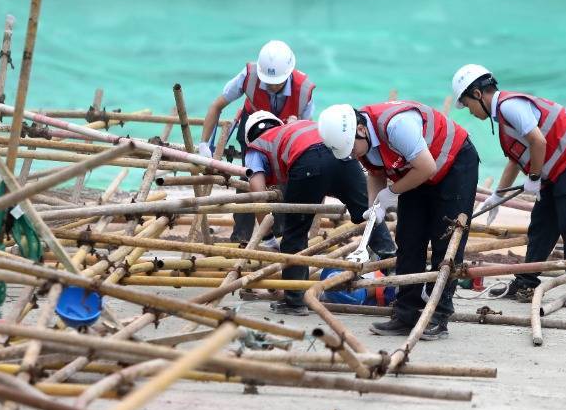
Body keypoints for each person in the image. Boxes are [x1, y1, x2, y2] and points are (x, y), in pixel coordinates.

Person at [317, 100, 478, 340]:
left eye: (352, 148)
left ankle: (438, 316)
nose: (352, 154)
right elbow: (375, 171)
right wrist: (376, 206)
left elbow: (427, 167)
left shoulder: (396, 126)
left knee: (446, 241)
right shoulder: (360, 139)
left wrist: (392, 193)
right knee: (408, 238)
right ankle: (406, 314)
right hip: (416, 172)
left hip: (452, 165)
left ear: (361, 130)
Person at [451, 64, 566, 307]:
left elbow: (538, 141)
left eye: (467, 104)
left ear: (478, 94)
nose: (469, 111)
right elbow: (516, 159)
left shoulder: (509, 106)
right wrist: (497, 195)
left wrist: (533, 178)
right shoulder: (502, 118)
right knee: (541, 226)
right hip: (559, 169)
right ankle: (525, 282)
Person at [243, 111, 397, 315]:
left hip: (308, 162)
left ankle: (295, 301)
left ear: (249, 138)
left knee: (296, 233)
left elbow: (258, 192)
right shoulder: (298, 126)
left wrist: (268, 237)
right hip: (344, 155)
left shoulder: (257, 146)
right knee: (367, 215)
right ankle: (394, 267)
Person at [199, 40, 315, 242]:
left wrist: (296, 124)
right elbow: (216, 106)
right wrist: (204, 145)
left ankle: (276, 236)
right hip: (252, 131)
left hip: (284, 136)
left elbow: (306, 133)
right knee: (248, 178)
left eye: (276, 81)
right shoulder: (249, 76)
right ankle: (241, 238)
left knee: (283, 183)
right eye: (268, 81)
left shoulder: (304, 89)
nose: (271, 85)